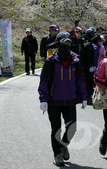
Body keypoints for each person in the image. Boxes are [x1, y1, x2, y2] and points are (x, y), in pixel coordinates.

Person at [38, 31, 87, 166]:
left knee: (72, 127)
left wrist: (84, 97)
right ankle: (57, 154)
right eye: (64, 43)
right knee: (56, 128)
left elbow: (80, 80)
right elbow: (44, 81)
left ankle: (64, 145)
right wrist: (43, 99)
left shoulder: (76, 60)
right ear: (58, 44)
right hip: (54, 101)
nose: (67, 46)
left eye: (69, 43)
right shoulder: (51, 61)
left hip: (70, 100)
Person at [80, 27, 97, 105]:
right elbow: (90, 58)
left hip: (82, 66)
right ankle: (88, 96)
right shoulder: (89, 45)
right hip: (88, 67)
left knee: (83, 81)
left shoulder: (82, 43)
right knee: (90, 81)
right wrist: (92, 68)